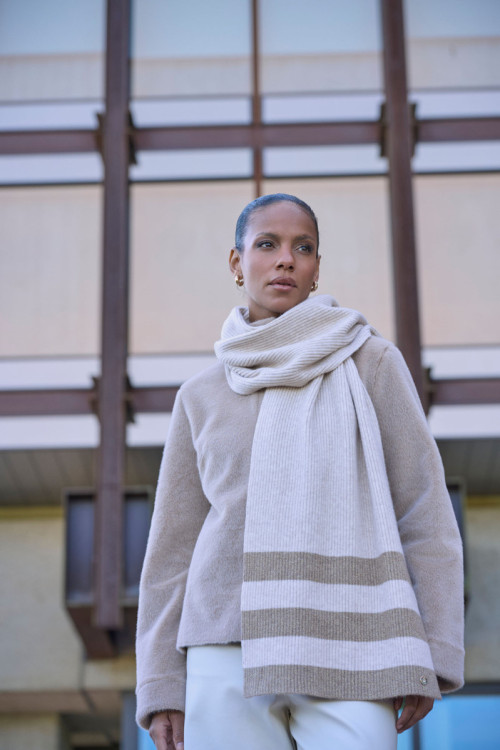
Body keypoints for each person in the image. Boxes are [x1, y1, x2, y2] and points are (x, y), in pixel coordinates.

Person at [135, 193, 464, 750]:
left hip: (354, 637)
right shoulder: (200, 395)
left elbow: (423, 510)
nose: (286, 259)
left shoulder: (371, 363)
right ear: (237, 262)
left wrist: (432, 647)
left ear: (316, 270)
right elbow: (172, 548)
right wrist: (161, 681)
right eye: (267, 244)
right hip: (226, 646)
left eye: (303, 248)